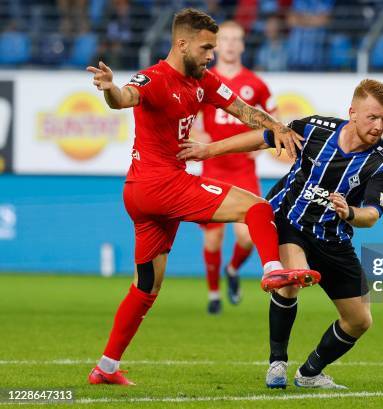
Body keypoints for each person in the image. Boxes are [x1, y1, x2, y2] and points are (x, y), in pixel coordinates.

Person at [85, 8, 316, 386]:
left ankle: (106, 367)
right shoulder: (154, 78)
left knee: (146, 287)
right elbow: (125, 98)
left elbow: (242, 110)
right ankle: (273, 271)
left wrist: (276, 126)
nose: (212, 54)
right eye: (206, 47)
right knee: (257, 208)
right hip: (161, 185)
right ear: (182, 43)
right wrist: (110, 87)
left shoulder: (203, 80)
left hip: (143, 193)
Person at [178, 78, 383, 389]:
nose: (379, 126)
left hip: (333, 238)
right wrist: (208, 150)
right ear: (352, 112)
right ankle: (277, 363)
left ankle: (310, 373)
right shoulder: (316, 129)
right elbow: (262, 139)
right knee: (293, 278)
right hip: (288, 220)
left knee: (360, 321)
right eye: (372, 117)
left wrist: (349, 213)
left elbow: (372, 215)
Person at [193, 20, 277, 314]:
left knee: (247, 236)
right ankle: (214, 295)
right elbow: (188, 118)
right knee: (213, 238)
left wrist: (265, 144)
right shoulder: (203, 79)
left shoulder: (255, 83)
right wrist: (195, 134)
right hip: (213, 166)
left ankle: (232, 269)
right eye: (224, 39)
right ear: (216, 46)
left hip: (243, 170)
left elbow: (273, 118)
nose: (229, 44)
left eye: (235, 39)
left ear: (242, 45)